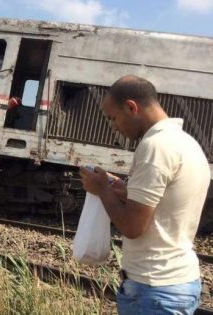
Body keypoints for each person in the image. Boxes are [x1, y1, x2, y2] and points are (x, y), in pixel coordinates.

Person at [79, 75, 209, 315]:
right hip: (176, 281)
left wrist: (103, 189)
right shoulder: (186, 142)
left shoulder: (155, 147)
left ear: (131, 107)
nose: (113, 126)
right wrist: (124, 189)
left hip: (155, 290)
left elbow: (132, 226)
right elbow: (166, 206)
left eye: (113, 117)